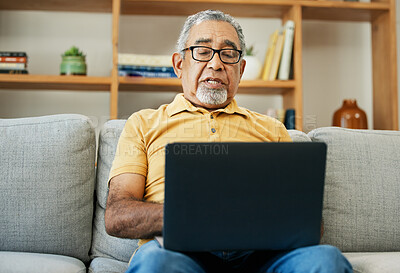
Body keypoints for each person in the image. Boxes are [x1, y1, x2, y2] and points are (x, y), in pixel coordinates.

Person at [104, 9, 353, 273]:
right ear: (179, 64)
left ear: (240, 68)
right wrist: (191, 215)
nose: (216, 64)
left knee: (326, 260)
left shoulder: (272, 129)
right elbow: (117, 215)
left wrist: (258, 217)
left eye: (228, 53)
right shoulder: (142, 124)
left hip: (262, 255)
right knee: (156, 263)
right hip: (177, 251)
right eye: (202, 51)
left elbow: (310, 223)